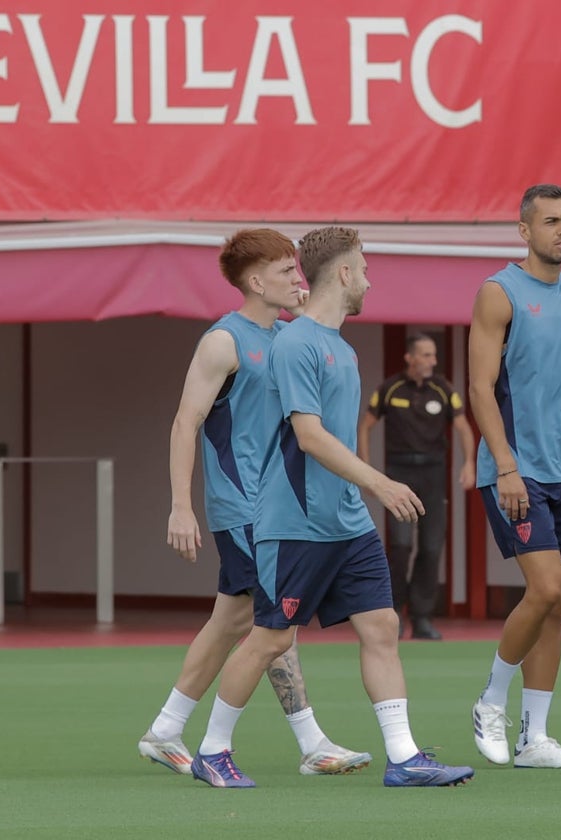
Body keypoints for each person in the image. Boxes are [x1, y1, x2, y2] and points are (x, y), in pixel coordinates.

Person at [188, 226, 474, 788]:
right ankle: (212, 751)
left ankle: (404, 757)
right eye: (363, 268)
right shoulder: (296, 343)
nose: (369, 280)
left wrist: (363, 496)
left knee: (382, 626)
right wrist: (382, 484)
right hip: (294, 524)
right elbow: (309, 435)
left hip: (346, 524)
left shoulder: (340, 347)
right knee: (270, 636)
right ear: (343, 274)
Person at [139, 228, 369, 778]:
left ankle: (166, 730)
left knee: (233, 622)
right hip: (243, 508)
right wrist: (180, 506)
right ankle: (310, 742)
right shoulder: (223, 342)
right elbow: (184, 422)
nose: (298, 279)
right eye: (287, 272)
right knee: (271, 625)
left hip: (277, 508)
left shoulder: (294, 336)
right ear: (255, 281)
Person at [467, 184, 561, 770]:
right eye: (552, 221)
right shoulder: (498, 294)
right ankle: (490, 700)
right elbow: (479, 388)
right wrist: (505, 466)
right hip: (514, 471)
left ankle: (535, 739)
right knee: (546, 588)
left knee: (556, 604)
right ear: (524, 231)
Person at [358, 334, 476, 640]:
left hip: (434, 475)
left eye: (434, 355)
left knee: (432, 546)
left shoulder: (444, 389)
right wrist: (366, 468)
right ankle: (394, 612)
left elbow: (464, 427)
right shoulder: (390, 388)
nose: (432, 361)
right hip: (400, 473)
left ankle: (422, 617)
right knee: (400, 546)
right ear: (410, 358)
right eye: (426, 355)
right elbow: (365, 426)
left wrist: (469, 463)